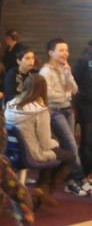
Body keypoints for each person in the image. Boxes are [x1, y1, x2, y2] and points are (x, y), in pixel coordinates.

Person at [5, 75, 75, 209]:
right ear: (43, 89)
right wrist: (57, 143)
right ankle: (44, 191)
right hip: (33, 153)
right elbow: (46, 143)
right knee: (70, 156)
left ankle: (42, 192)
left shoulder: (11, 104)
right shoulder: (40, 110)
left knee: (53, 154)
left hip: (13, 153)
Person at [39, 38, 91, 196]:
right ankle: (80, 178)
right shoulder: (45, 72)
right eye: (61, 50)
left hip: (67, 110)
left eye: (66, 50)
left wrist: (68, 75)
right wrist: (64, 95)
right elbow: (48, 94)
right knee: (71, 145)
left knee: (68, 146)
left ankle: (69, 181)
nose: (65, 53)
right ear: (51, 53)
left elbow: (74, 90)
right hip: (55, 112)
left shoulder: (64, 68)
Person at [73, 40, 92, 178]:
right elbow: (75, 82)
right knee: (87, 141)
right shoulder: (83, 60)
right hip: (86, 106)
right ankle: (83, 173)